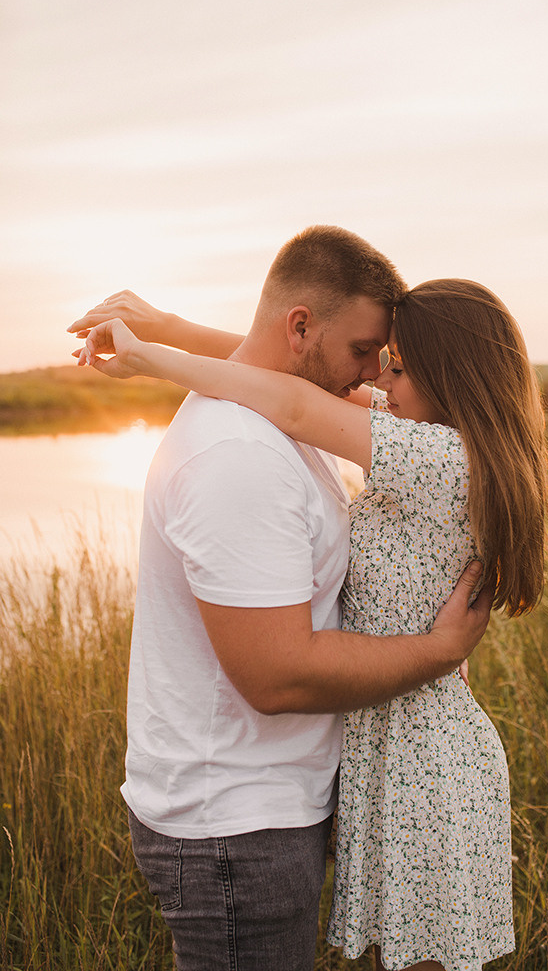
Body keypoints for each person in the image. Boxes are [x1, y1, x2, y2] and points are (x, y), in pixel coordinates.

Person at [69, 228, 494, 971]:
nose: (374, 377)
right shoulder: (240, 453)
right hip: (234, 827)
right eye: (366, 351)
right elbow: (277, 676)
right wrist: (440, 650)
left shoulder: (295, 414)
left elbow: (281, 379)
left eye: (388, 362)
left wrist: (164, 333)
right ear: (300, 327)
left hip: (267, 809)